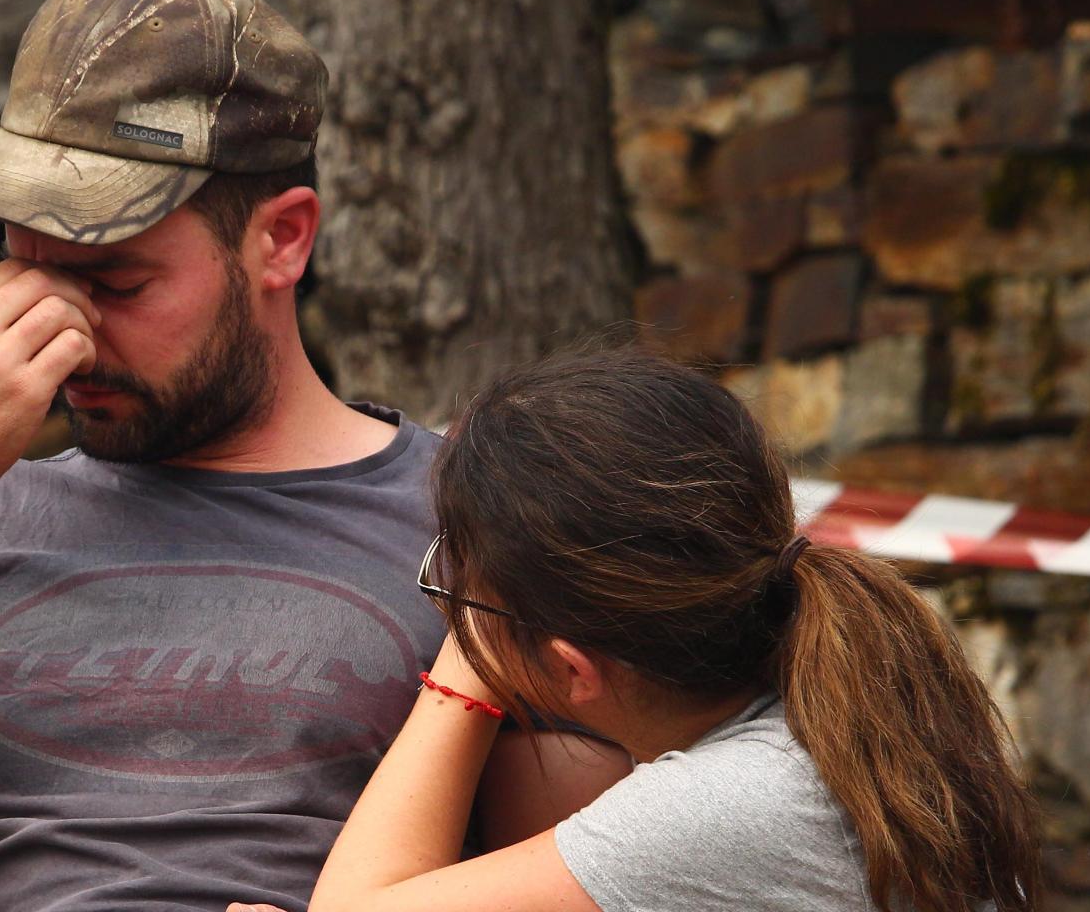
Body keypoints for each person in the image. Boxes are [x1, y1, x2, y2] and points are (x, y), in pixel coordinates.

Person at [0, 0, 627, 912]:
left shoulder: (467, 525)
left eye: (117, 283)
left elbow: (608, 874)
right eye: (28, 272)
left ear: (283, 240)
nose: (65, 332)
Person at [300, 349, 1043, 912]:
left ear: (574, 672)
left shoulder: (731, 807)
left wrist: (466, 662)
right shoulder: (862, 711)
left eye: (458, 586)